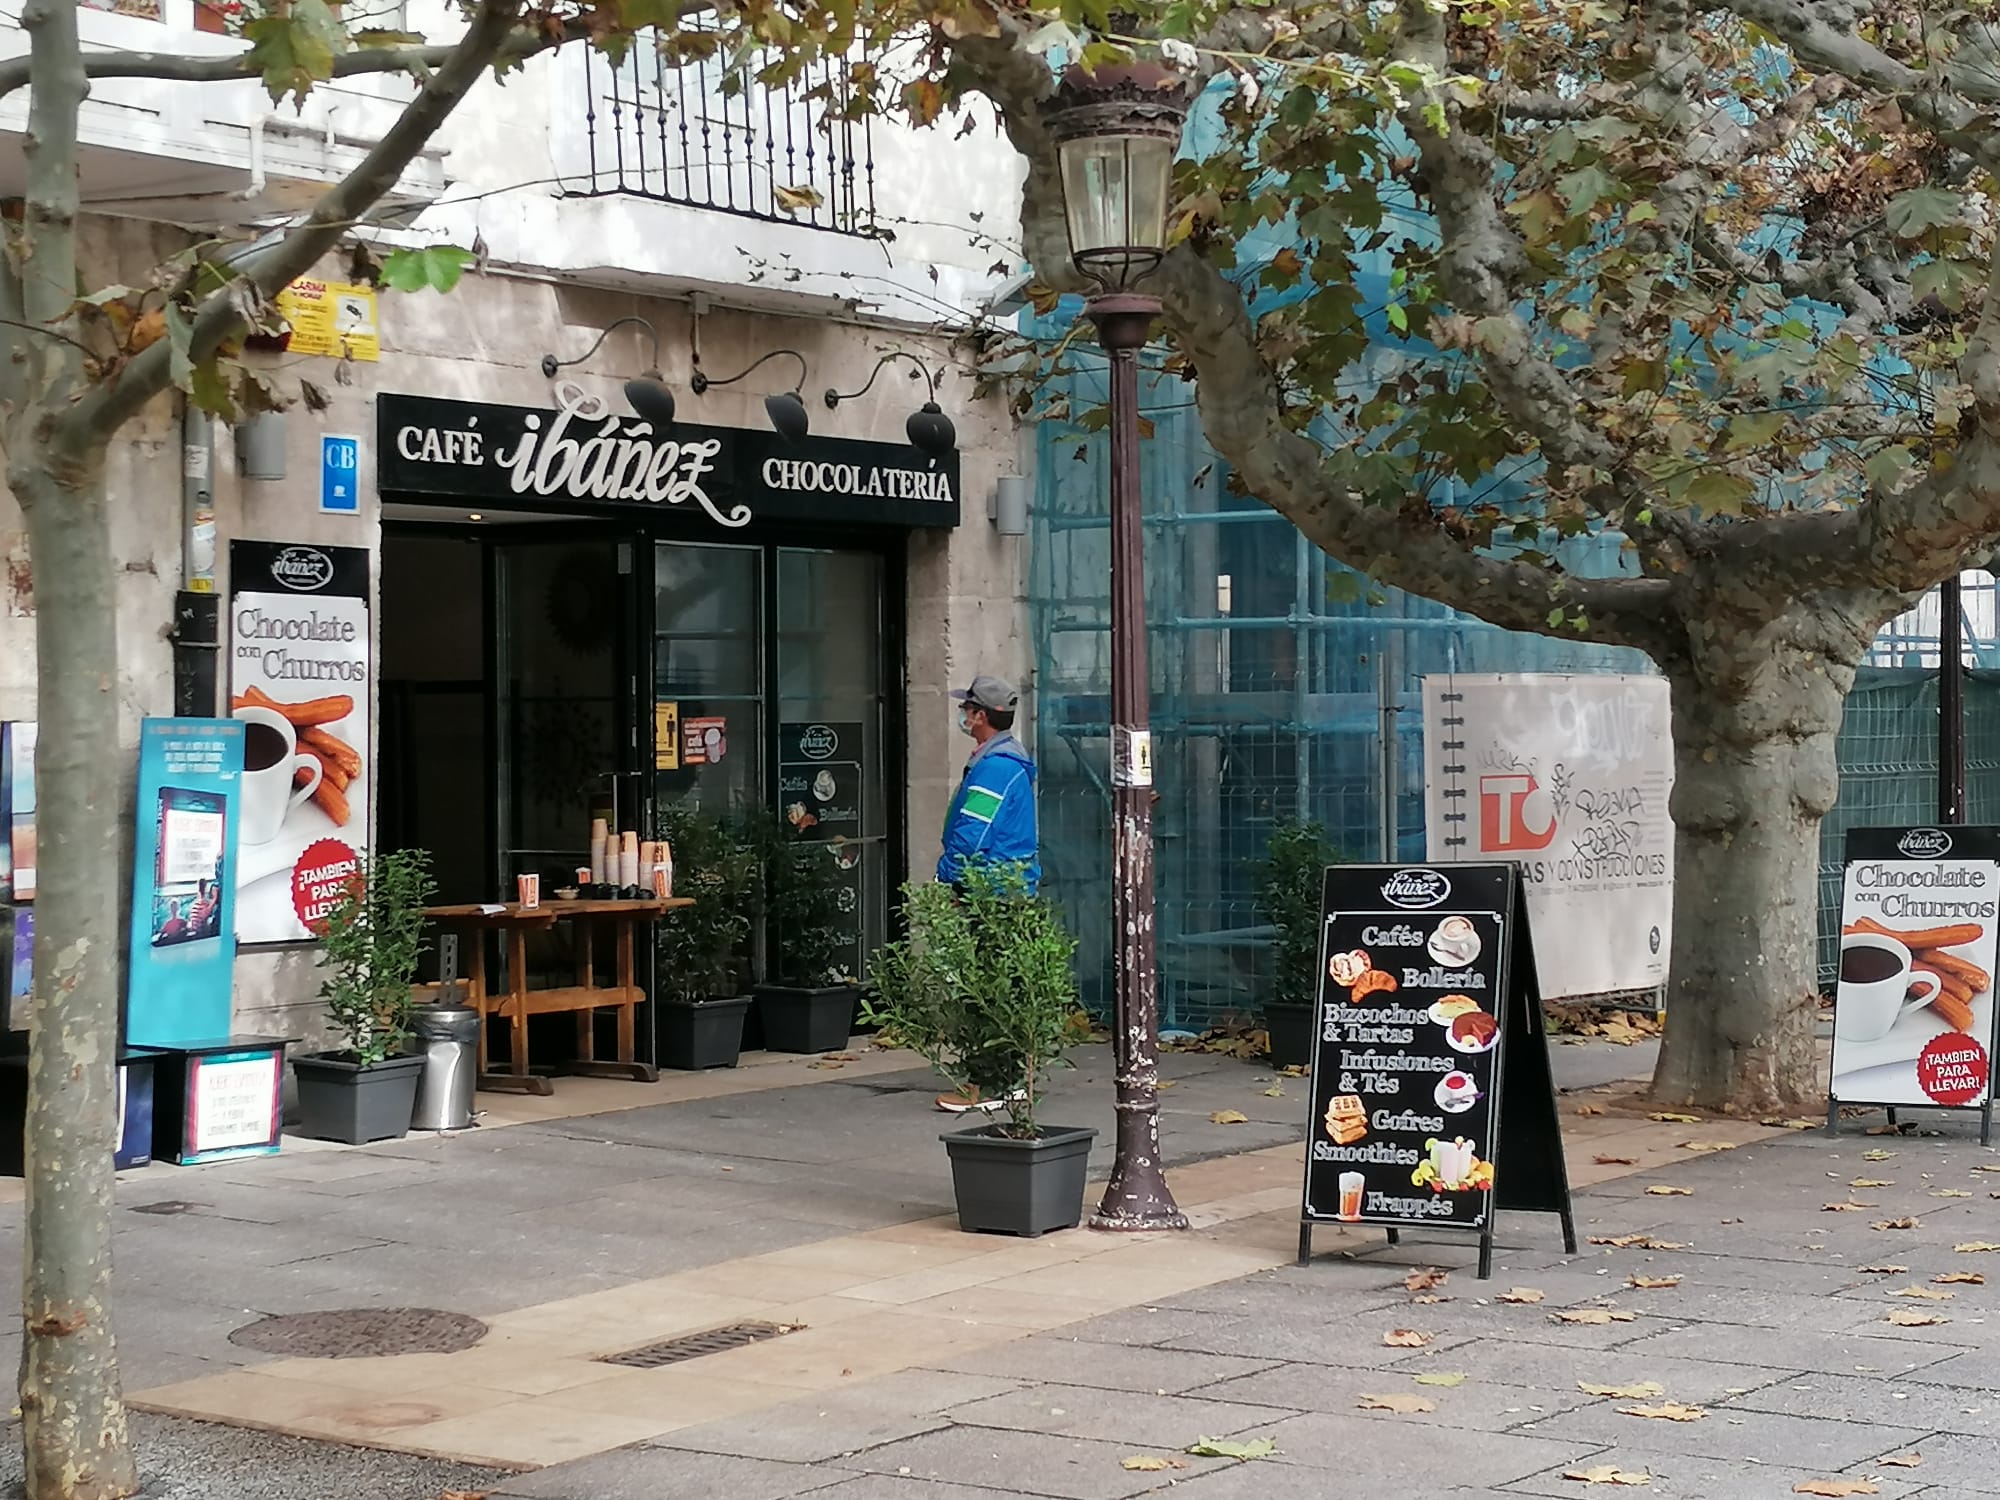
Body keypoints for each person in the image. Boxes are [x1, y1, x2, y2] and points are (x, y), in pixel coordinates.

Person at [934, 674, 1040, 1112]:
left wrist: (949, 877)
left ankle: (991, 1083)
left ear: (980, 716)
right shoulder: (1003, 761)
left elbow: (973, 833)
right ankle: (1007, 1078)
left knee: (987, 989)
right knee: (1001, 983)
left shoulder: (995, 767)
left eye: (966, 709)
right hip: (1004, 887)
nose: (962, 715)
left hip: (992, 889)